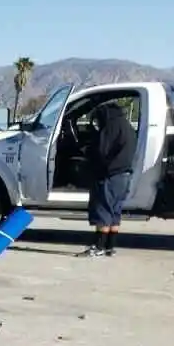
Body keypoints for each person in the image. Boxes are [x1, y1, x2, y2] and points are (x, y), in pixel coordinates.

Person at [77, 102, 137, 257]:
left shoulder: (110, 129)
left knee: (103, 210)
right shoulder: (127, 127)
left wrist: (87, 151)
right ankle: (110, 246)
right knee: (115, 212)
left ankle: (98, 246)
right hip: (125, 176)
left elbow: (102, 151)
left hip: (110, 176)